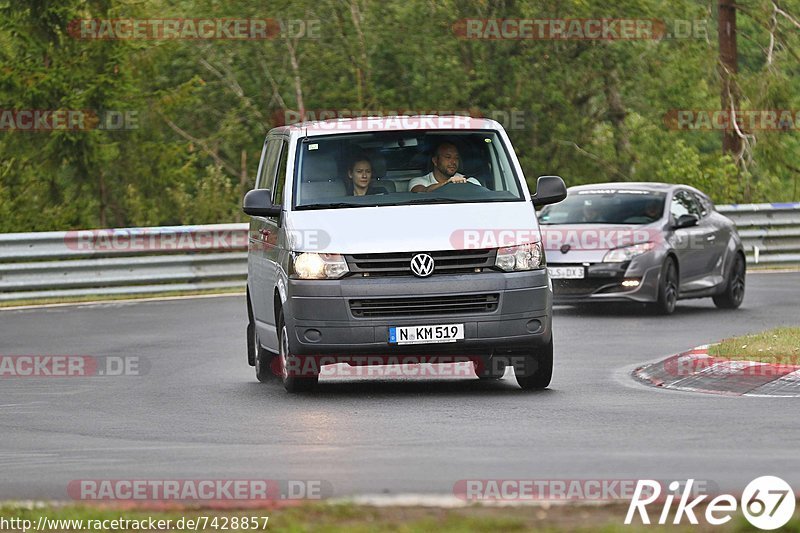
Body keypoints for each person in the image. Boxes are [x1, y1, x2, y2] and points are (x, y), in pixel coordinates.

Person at [409, 142, 481, 192]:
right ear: (435, 161)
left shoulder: (469, 181)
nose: (453, 162)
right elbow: (421, 192)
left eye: (456, 158)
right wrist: (447, 183)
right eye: (448, 157)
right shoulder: (419, 181)